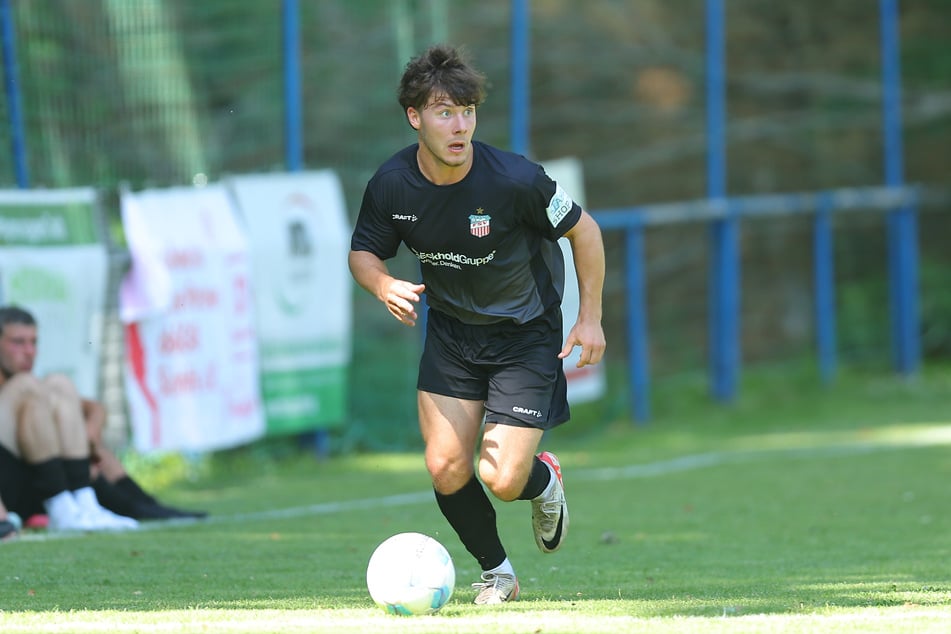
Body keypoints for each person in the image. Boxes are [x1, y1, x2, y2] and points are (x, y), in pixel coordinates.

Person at [349, 44, 606, 605]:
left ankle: (543, 481)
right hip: (452, 334)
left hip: (524, 335)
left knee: (503, 479)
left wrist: (590, 318)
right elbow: (364, 252)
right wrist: (383, 284)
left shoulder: (515, 180)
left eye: (467, 112)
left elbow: (584, 230)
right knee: (445, 465)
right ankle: (498, 574)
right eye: (444, 112)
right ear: (414, 117)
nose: (460, 125)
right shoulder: (392, 184)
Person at [0, 306, 138, 531]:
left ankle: (84, 503)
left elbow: (94, 407)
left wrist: (91, 431)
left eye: (34, 342)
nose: (29, 351)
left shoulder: (33, 390)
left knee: (60, 382)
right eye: (18, 342)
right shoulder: (23, 388)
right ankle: (67, 507)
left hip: (35, 480)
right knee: (28, 386)